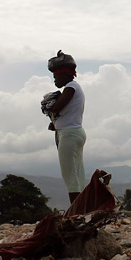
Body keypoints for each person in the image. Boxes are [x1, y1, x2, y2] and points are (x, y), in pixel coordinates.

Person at [46, 50, 86, 203]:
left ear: (65, 74)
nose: (55, 80)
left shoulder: (70, 87)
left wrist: (49, 107)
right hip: (73, 132)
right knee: (77, 173)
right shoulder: (73, 87)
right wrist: (55, 123)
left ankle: (76, 211)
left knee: (70, 174)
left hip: (69, 134)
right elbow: (65, 111)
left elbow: (56, 107)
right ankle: (81, 208)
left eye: (56, 76)